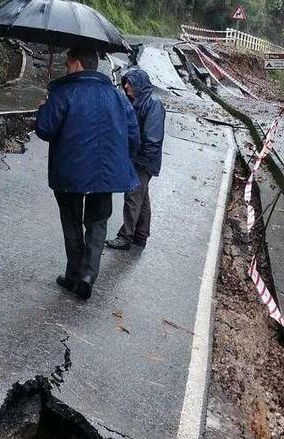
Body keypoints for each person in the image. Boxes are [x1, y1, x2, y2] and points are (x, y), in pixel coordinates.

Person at [35, 45, 140, 300]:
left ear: (78, 64)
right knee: (97, 223)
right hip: (105, 175)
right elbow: (133, 134)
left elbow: (45, 130)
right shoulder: (117, 96)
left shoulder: (63, 92)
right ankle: (87, 275)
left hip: (69, 172)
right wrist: (120, 160)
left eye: (68, 63)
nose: (65, 67)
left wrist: (43, 108)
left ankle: (73, 274)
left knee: (71, 222)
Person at [105, 69, 166, 251]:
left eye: (130, 83)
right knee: (142, 197)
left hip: (143, 160)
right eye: (125, 83)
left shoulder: (153, 104)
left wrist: (139, 159)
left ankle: (125, 236)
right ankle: (140, 235)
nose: (126, 86)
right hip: (141, 158)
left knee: (132, 196)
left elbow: (152, 138)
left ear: (138, 85)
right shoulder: (139, 102)